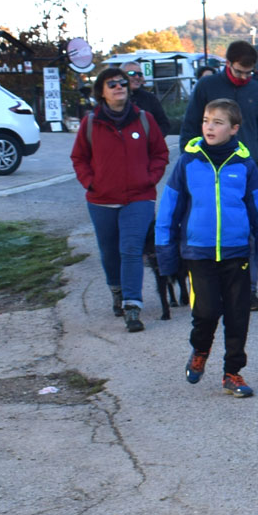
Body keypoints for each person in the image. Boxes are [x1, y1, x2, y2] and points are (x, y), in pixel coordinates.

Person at [155, 98, 258, 397]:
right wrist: (166, 253)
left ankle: (233, 372)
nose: (210, 126)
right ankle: (200, 349)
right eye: (207, 120)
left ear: (233, 129)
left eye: (218, 122)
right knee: (206, 311)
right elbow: (169, 209)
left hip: (237, 253)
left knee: (238, 316)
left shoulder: (245, 166)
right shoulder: (187, 162)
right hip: (199, 252)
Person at [179, 40, 258, 310]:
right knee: (206, 227)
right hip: (206, 171)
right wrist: (189, 162)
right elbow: (189, 127)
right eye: (239, 72)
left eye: (249, 72)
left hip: (244, 172)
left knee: (248, 230)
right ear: (227, 64)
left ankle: (248, 291)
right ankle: (208, 288)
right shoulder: (207, 87)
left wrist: (255, 155)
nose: (245, 77)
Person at [71, 66, 170, 332]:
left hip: (139, 198)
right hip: (101, 200)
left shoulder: (144, 120)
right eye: (112, 84)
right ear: (102, 92)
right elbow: (78, 157)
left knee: (132, 250)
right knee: (109, 251)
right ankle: (116, 289)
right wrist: (90, 182)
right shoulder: (90, 123)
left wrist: (150, 178)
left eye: (123, 83)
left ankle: (132, 306)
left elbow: (160, 153)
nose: (119, 87)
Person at [125, 63, 173, 136]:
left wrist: (151, 139)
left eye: (140, 74)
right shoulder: (113, 98)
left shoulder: (150, 98)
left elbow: (164, 124)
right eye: (132, 73)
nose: (137, 77)